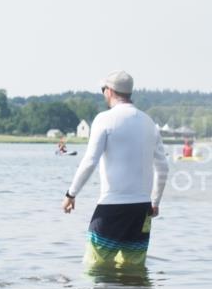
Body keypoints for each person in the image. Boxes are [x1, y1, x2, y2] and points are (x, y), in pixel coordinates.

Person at [62, 70, 169, 269]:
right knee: (133, 270)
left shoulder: (105, 119)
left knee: (93, 268)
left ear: (110, 91)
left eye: (103, 89)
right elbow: (163, 167)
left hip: (112, 208)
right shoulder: (149, 123)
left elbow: (90, 161)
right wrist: (155, 202)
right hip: (142, 209)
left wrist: (71, 193)